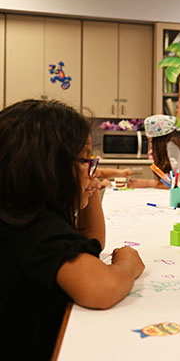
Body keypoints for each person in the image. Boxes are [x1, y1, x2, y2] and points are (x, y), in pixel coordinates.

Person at [0, 99, 145, 360]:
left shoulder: (19, 214)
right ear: (49, 167)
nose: (94, 168)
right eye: (85, 159)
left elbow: (90, 241)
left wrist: (89, 188)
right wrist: (128, 265)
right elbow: (102, 287)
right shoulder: (37, 230)